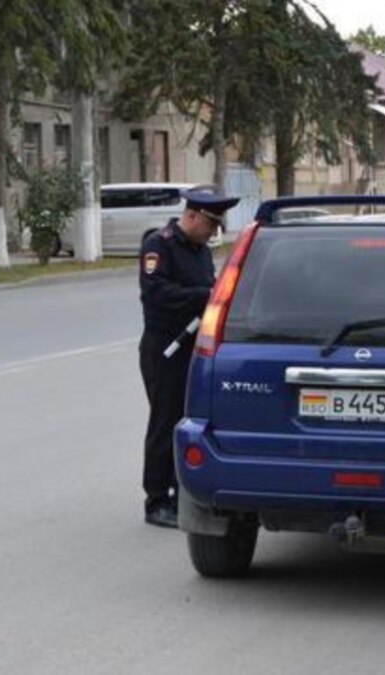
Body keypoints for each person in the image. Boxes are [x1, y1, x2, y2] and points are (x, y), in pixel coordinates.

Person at [138, 188, 239, 528]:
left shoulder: (199, 251)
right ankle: (156, 500)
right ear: (192, 216)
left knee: (188, 420)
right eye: (211, 224)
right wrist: (204, 296)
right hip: (165, 347)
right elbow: (156, 292)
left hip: (194, 348)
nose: (214, 232)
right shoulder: (159, 245)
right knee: (166, 421)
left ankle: (181, 493)